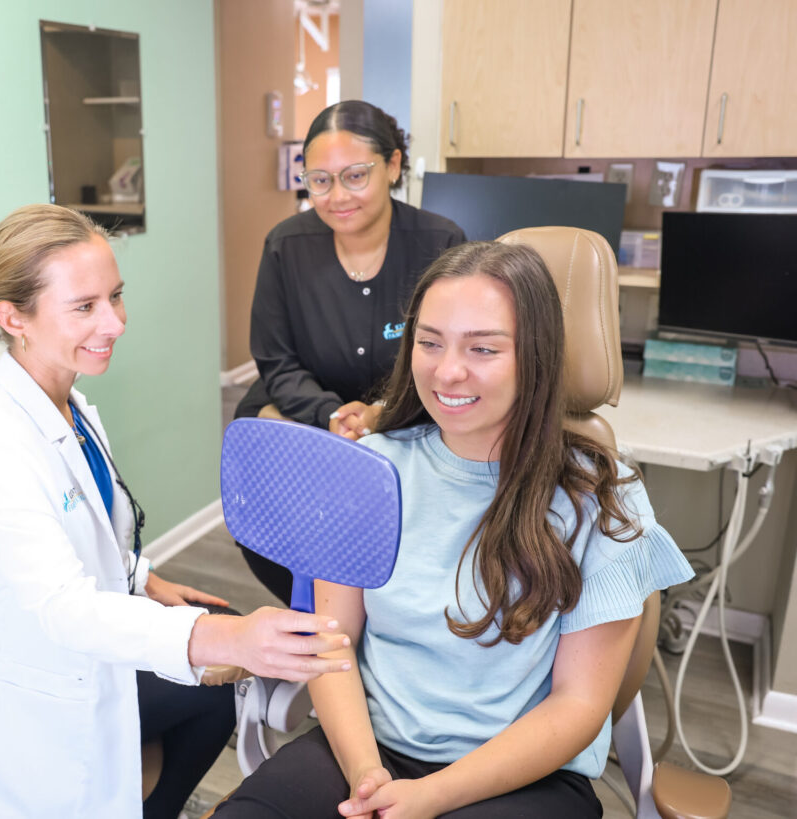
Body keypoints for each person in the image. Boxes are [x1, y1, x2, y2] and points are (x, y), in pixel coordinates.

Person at [214, 242, 694, 818]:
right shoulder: (368, 469)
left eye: (483, 348)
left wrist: (430, 797)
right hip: (371, 751)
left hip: (523, 774)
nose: (448, 371)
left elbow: (579, 706)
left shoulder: (600, 495)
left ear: (535, 356)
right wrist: (369, 778)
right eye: (430, 342)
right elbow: (332, 641)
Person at [0, 204, 352, 819]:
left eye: (115, 297)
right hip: (29, 707)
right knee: (221, 647)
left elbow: (89, 532)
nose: (115, 322)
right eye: (85, 306)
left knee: (215, 684)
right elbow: (66, 609)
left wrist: (143, 579)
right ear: (13, 317)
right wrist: (234, 638)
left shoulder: (70, 407)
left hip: (88, 650)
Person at [235, 100, 466, 602]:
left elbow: (452, 356)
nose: (337, 196)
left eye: (355, 176)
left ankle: (383, 615)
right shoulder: (285, 245)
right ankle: (316, 610)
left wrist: (385, 413)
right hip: (308, 408)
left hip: (410, 411)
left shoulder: (440, 242)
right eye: (320, 180)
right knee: (263, 444)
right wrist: (331, 415)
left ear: (393, 166)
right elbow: (275, 359)